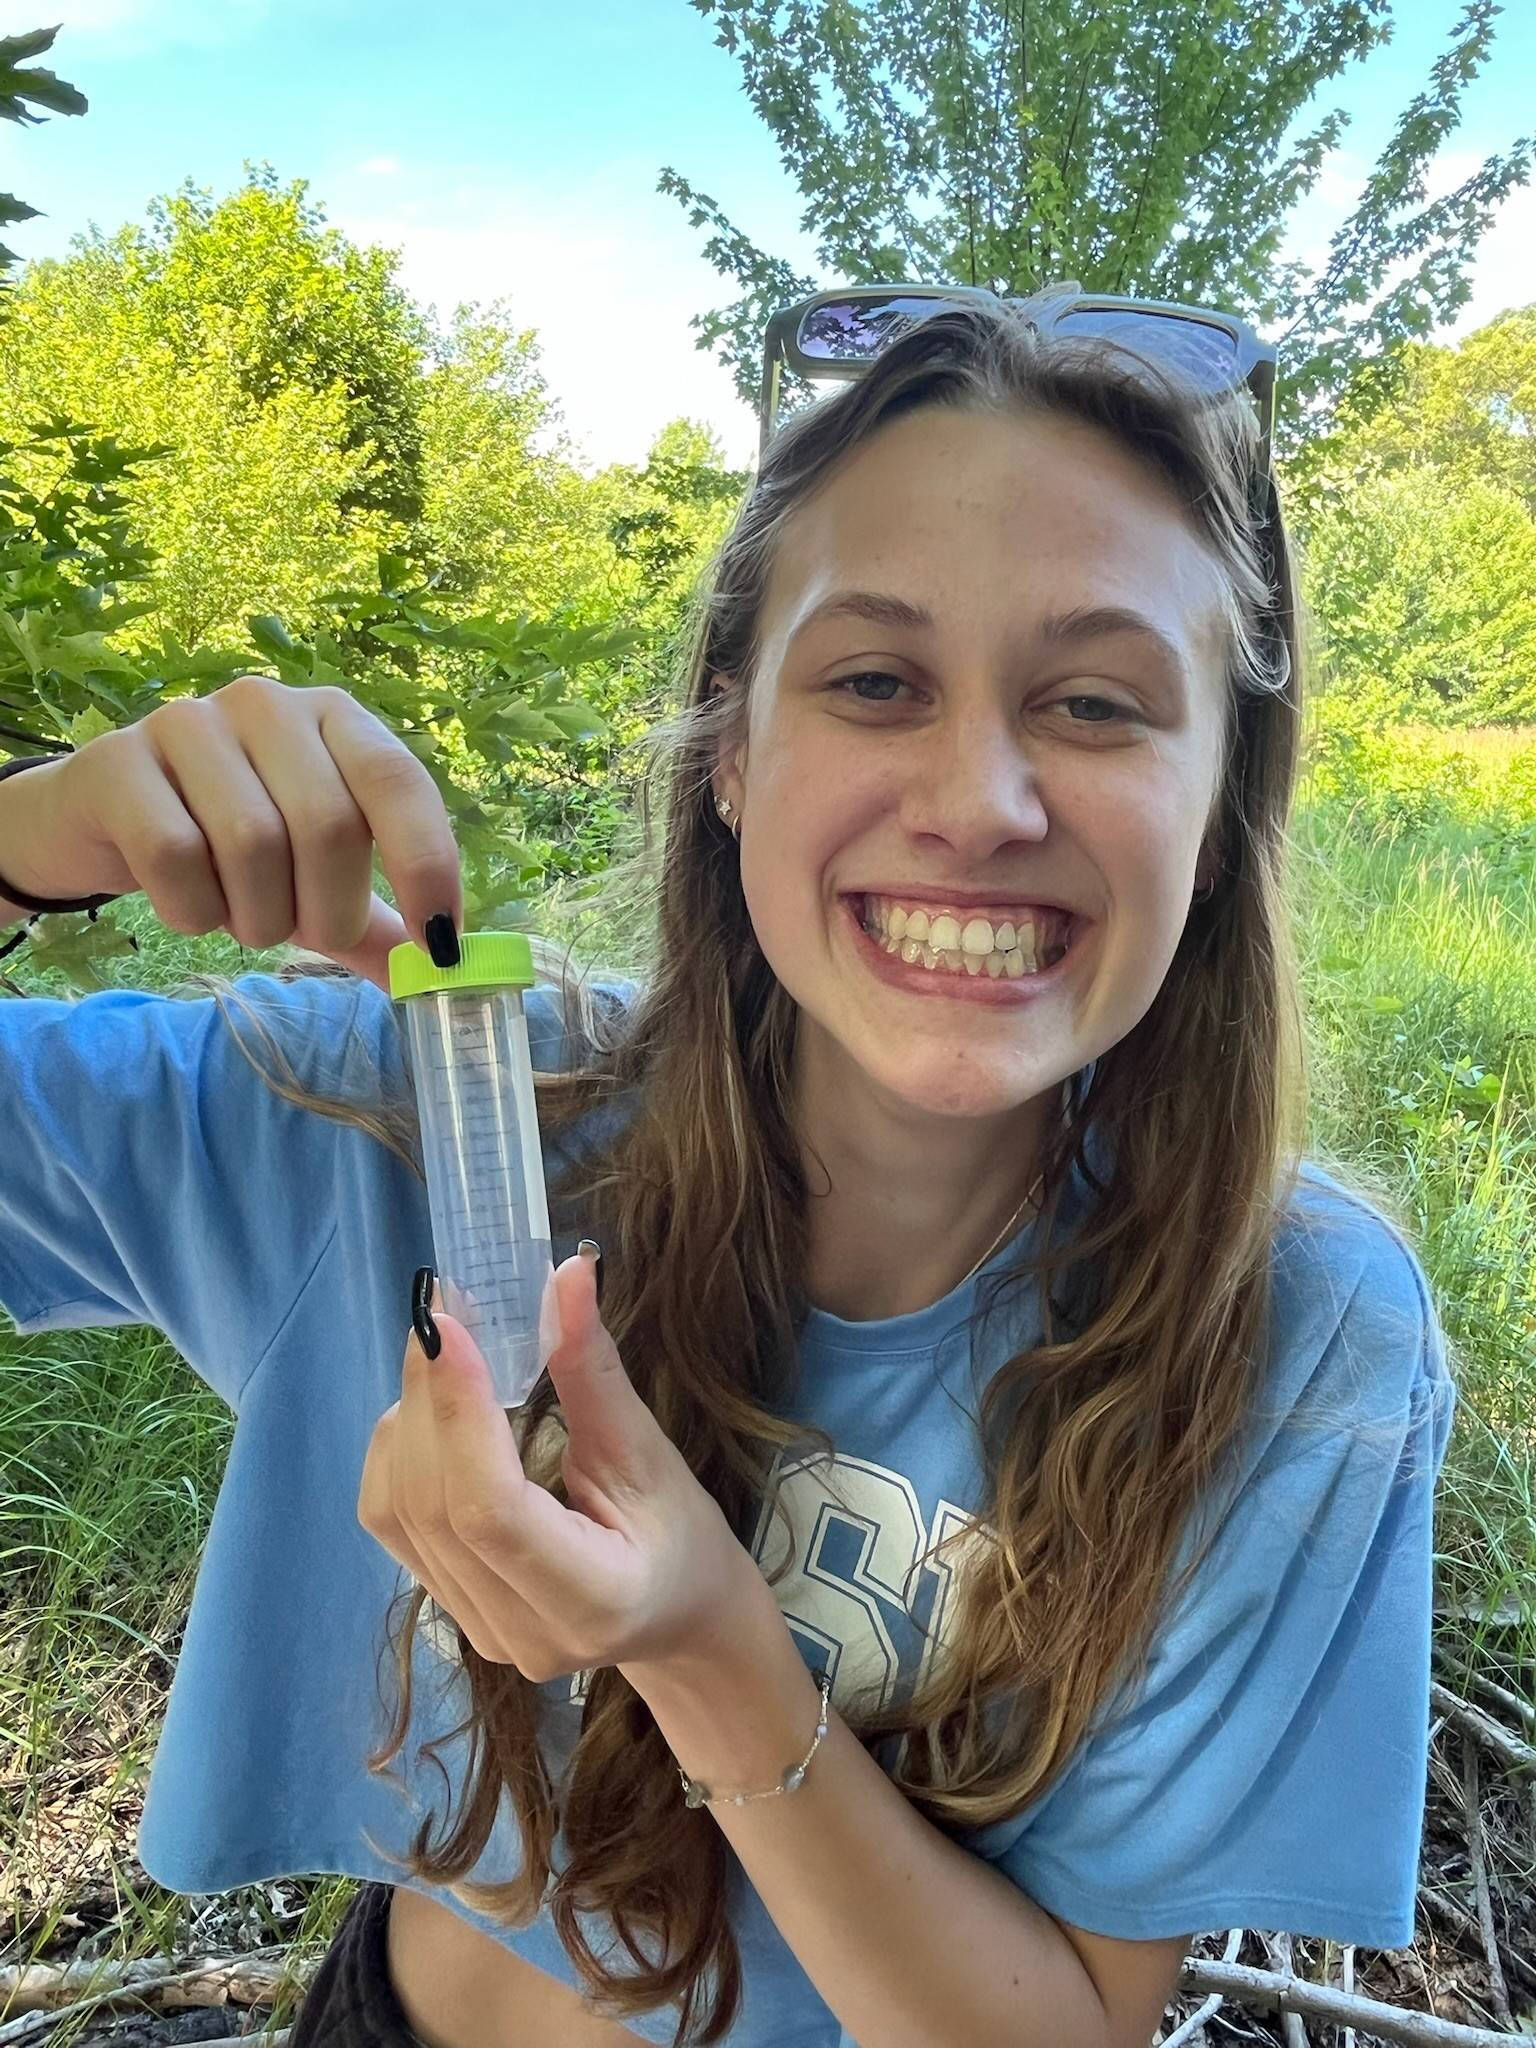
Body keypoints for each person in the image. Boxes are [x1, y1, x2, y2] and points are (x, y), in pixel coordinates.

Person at [0, 295, 1457, 2048]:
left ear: (1222, 819)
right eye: (874, 680)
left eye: (1094, 701)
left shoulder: (1293, 1334)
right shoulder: (400, 1118)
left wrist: (711, 1652)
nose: (979, 799)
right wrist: (23, 844)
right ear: (732, 748)